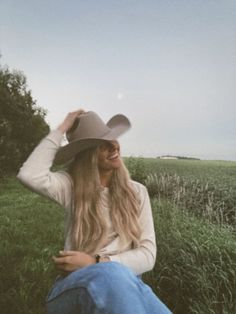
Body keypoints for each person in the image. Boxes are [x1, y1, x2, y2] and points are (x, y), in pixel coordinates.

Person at [17, 109, 172, 314]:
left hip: (129, 284)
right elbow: (29, 175)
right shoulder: (71, 187)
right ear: (87, 156)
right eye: (102, 145)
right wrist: (62, 128)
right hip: (76, 287)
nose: (113, 146)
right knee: (111, 276)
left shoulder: (138, 192)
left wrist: (96, 262)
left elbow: (147, 256)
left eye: (112, 139)